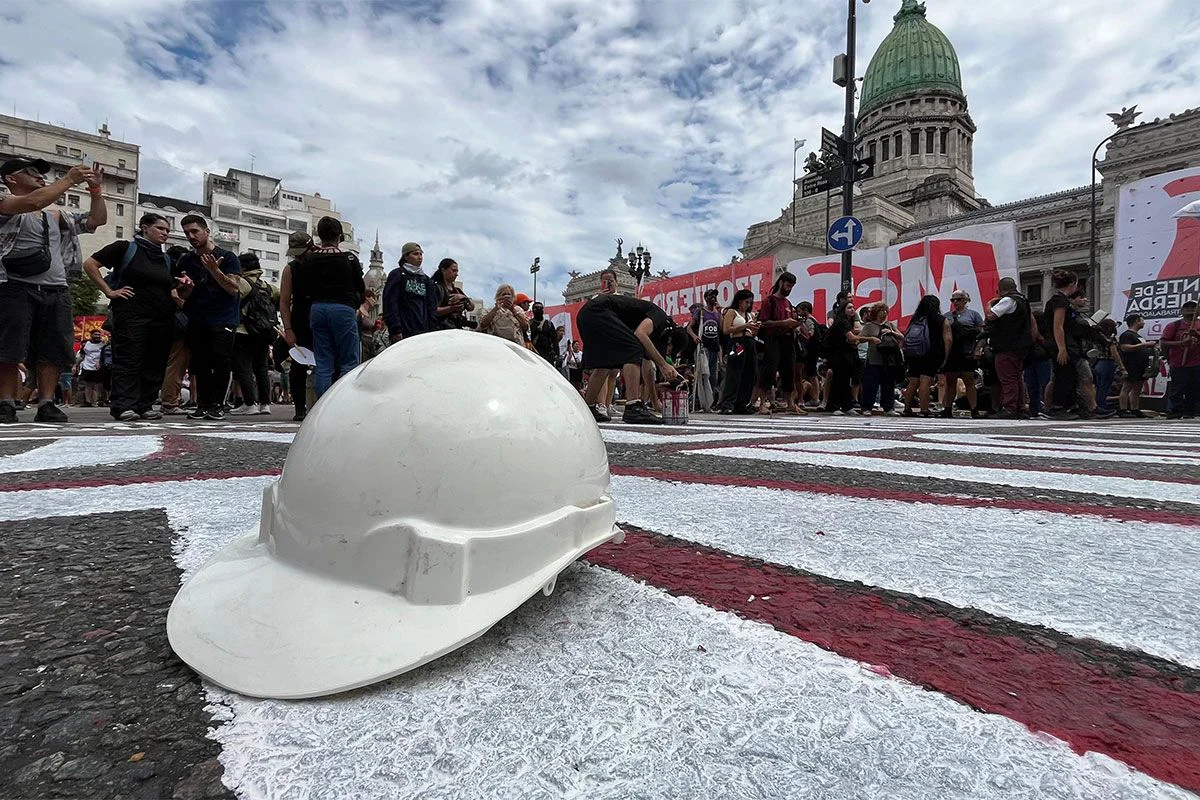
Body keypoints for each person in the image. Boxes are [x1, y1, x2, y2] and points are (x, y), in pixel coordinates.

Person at [0, 157, 106, 424]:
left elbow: (96, 220)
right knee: (8, 347)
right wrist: (69, 179)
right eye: (31, 171)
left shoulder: (55, 214)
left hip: (56, 287)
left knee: (54, 348)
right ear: (11, 179)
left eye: (40, 172)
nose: (39, 176)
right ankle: (5, 402)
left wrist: (95, 191)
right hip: (12, 285)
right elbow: (33, 201)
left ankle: (47, 403)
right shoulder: (6, 201)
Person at [83, 212, 190, 420]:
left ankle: (145, 404)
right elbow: (90, 264)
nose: (165, 233)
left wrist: (185, 286)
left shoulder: (167, 259)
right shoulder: (125, 248)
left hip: (162, 318)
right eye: (160, 228)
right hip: (131, 315)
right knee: (129, 359)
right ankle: (124, 405)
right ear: (145, 227)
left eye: (168, 230)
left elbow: (176, 288)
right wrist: (109, 291)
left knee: (155, 361)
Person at [577, 289, 679, 424]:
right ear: (670, 338)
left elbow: (647, 366)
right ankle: (633, 407)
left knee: (605, 363)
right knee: (633, 349)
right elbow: (640, 334)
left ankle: (588, 408)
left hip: (586, 315)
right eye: (670, 347)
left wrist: (655, 402)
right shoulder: (661, 317)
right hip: (598, 310)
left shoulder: (654, 330)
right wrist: (663, 364)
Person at [175, 215, 242, 421]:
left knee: (220, 360)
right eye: (187, 233)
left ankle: (218, 404)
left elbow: (233, 288)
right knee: (200, 363)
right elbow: (181, 293)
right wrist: (185, 288)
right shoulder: (186, 260)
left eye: (195, 231)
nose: (191, 236)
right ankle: (203, 404)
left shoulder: (227, 257)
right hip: (198, 318)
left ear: (207, 231)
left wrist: (214, 270)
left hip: (223, 318)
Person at [302, 217, 366, 398]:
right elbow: (360, 288)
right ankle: (344, 402)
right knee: (349, 360)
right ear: (340, 236)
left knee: (323, 362)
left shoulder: (310, 259)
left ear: (319, 235)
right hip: (343, 308)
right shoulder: (349, 258)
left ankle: (322, 405)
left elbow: (305, 287)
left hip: (317, 308)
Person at [229, 252, 277, 415]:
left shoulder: (241, 282)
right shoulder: (268, 287)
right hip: (264, 332)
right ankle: (265, 404)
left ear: (242, 267)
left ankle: (250, 403)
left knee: (244, 367)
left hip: (244, 330)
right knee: (261, 368)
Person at [985, 277, 1039, 418]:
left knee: (1007, 377)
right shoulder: (1023, 301)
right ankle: (1020, 407)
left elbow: (991, 315)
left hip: (1007, 345)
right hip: (1021, 345)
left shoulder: (1008, 300)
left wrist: (988, 304)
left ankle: (1009, 407)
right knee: (1016, 377)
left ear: (1001, 290)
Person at [756, 272, 803, 414]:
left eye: (792, 287)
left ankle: (790, 403)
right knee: (769, 371)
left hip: (788, 340)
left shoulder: (788, 303)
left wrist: (795, 326)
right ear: (781, 282)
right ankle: (763, 403)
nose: (789, 289)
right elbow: (764, 323)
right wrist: (784, 322)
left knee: (789, 371)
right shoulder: (769, 301)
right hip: (773, 339)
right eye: (788, 285)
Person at [280, 231, 315, 421]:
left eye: (302, 253)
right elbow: (284, 302)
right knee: (298, 367)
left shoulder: (321, 262)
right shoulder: (291, 269)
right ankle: (299, 408)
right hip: (300, 318)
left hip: (320, 316)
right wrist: (288, 329)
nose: (300, 257)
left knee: (326, 364)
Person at [901, 295, 953, 416]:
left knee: (913, 381)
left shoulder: (916, 319)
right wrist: (945, 356)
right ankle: (924, 409)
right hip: (931, 353)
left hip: (913, 354)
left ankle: (907, 408)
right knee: (926, 380)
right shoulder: (941, 319)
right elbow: (948, 339)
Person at [1042, 269, 1083, 419]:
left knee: (1068, 375)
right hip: (1061, 343)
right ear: (1072, 284)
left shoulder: (1060, 300)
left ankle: (1069, 405)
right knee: (1063, 375)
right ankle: (1057, 406)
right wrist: (1062, 348)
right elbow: (1057, 326)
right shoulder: (1059, 301)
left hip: (1063, 342)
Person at [940, 290, 984, 418]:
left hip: (967, 352)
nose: (955, 302)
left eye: (958, 299)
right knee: (950, 382)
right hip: (952, 353)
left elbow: (982, 333)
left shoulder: (973, 315)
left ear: (965, 300)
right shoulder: (947, 316)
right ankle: (947, 408)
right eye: (953, 300)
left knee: (969, 381)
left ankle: (974, 409)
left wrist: (978, 349)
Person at [160, 244, 192, 414]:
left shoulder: (163, 272)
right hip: (177, 324)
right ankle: (170, 401)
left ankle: (171, 399)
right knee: (177, 364)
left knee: (173, 363)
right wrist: (190, 308)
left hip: (166, 323)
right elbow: (174, 295)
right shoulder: (174, 276)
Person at [383, 242, 438, 343]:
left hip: (423, 331)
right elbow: (390, 303)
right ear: (406, 256)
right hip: (403, 331)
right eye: (415, 254)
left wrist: (432, 330)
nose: (420, 257)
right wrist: (395, 329)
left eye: (421, 254)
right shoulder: (397, 274)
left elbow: (431, 307)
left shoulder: (426, 279)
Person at [826, 302, 875, 416]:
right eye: (849, 307)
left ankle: (846, 405)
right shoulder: (842, 322)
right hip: (839, 355)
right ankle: (835, 406)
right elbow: (851, 337)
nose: (852, 309)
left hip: (847, 355)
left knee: (845, 381)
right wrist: (870, 338)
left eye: (853, 307)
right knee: (838, 380)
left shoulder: (848, 322)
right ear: (843, 310)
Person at [716, 289, 760, 415]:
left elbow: (753, 332)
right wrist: (744, 326)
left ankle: (742, 403)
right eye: (746, 302)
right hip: (737, 342)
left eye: (750, 303)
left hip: (750, 342)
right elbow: (726, 329)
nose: (748, 305)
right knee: (734, 373)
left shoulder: (750, 315)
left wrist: (755, 328)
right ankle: (727, 403)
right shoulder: (732, 312)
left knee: (749, 374)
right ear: (740, 301)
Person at [1160, 299, 1200, 419]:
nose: (1190, 310)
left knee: (1194, 388)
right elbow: (1164, 343)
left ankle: (1190, 411)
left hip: (1196, 362)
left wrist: (1197, 335)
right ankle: (1174, 411)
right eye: (1187, 307)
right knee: (1177, 388)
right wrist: (1182, 343)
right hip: (1178, 363)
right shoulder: (1174, 325)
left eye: (1193, 307)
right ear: (1182, 311)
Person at [859, 304, 901, 416]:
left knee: (888, 385)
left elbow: (901, 337)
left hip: (888, 361)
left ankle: (888, 407)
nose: (885, 313)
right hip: (873, 359)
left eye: (886, 311)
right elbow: (860, 339)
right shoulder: (869, 326)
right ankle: (867, 407)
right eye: (882, 311)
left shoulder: (890, 325)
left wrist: (891, 332)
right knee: (870, 385)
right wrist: (871, 339)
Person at [1117, 314, 1155, 418]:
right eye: (1142, 320)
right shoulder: (1127, 335)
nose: (1144, 322)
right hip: (1131, 365)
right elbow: (1124, 347)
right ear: (1137, 321)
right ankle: (1123, 409)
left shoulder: (1138, 336)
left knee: (1137, 388)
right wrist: (1144, 345)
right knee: (1127, 386)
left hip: (1141, 365)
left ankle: (1135, 409)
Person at [691, 288, 722, 408]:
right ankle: (699, 401)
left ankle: (710, 402)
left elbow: (722, 329)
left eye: (715, 296)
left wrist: (719, 311)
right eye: (711, 296)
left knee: (713, 377)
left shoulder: (716, 313)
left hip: (714, 348)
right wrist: (694, 337)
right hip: (704, 348)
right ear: (706, 298)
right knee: (703, 374)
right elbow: (689, 327)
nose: (713, 298)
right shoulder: (700, 311)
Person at [430, 258, 474, 331]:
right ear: (443, 270)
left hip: (456, 329)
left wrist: (463, 298)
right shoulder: (435, 288)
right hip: (439, 329)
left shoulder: (457, 291)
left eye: (457, 271)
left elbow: (471, 307)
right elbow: (432, 310)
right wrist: (451, 308)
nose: (456, 274)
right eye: (453, 270)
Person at [1091, 318, 1124, 416]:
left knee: (1098, 387)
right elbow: (1114, 353)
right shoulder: (1110, 339)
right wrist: (1122, 367)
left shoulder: (1096, 337)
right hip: (1108, 363)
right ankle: (1102, 406)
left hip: (1097, 362)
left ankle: (1096, 406)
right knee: (1105, 387)